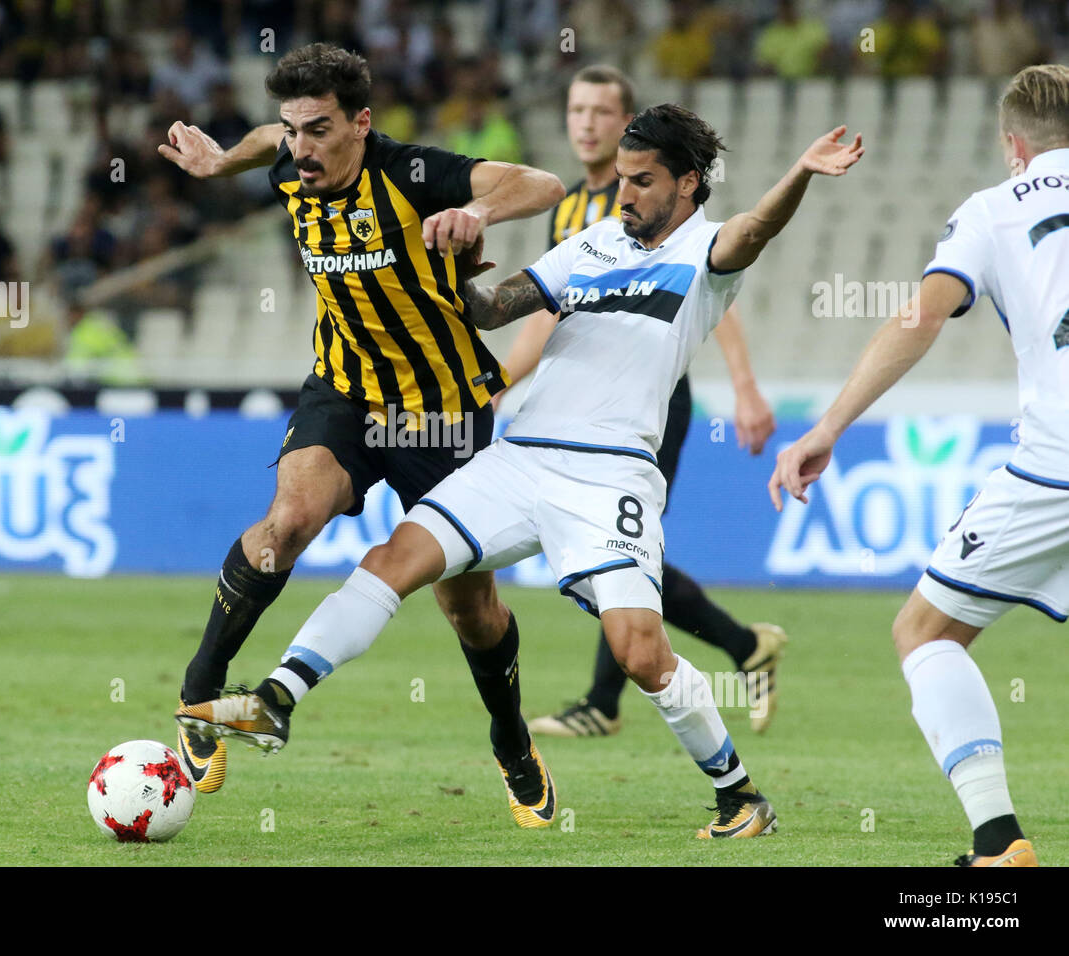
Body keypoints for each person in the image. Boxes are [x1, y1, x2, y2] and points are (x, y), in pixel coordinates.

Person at [187, 105, 863, 836]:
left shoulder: (705, 255)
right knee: (393, 559)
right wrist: (450, 271)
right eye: (623, 179)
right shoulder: (594, 242)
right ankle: (277, 700)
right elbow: (493, 308)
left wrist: (798, 172)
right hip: (521, 457)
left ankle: (738, 794)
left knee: (639, 652)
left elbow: (755, 229)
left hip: (612, 478)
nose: (625, 193)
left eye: (642, 182)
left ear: (689, 182)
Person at [159, 43, 567, 824]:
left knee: (470, 609)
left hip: (441, 409)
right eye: (292, 130)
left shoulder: (415, 173)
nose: (300, 148)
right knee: (287, 522)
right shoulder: (288, 159)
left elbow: (543, 185)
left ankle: (512, 741)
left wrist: (476, 212)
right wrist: (220, 164)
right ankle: (201, 689)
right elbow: (260, 142)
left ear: (361, 124)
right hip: (343, 390)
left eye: (318, 130)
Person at [770, 64, 1069, 867]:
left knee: (925, 631)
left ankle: (998, 840)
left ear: (1014, 146)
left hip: (1056, 467)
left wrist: (828, 425)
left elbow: (922, 315)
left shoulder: (993, 210)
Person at [497, 65, 784, 741]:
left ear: (629, 125)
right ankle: (744, 646)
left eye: (601, 111)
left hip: (650, 400)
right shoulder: (571, 209)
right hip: (583, 398)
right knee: (619, 552)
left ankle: (604, 700)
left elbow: (713, 291)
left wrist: (744, 386)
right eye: (576, 109)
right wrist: (498, 381)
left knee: (620, 552)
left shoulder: (656, 205)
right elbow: (550, 309)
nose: (586, 123)